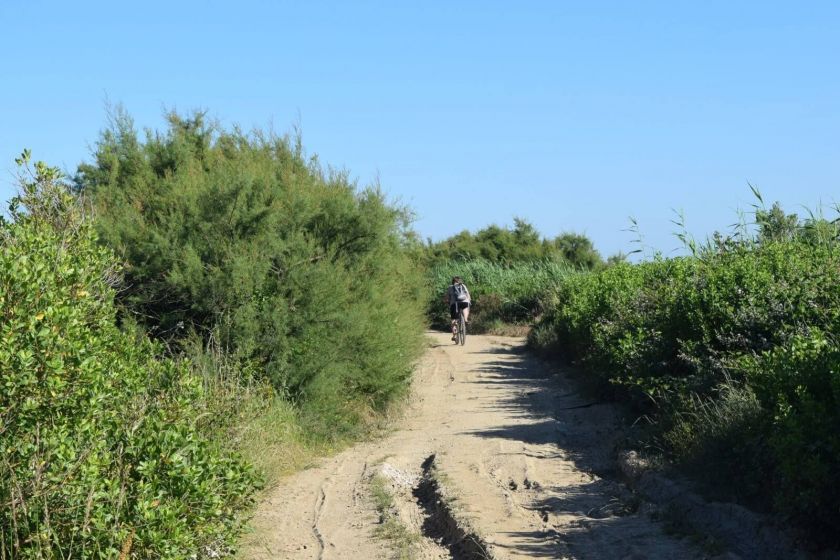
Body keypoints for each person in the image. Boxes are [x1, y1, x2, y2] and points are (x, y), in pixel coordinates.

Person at [444, 276, 471, 341]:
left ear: (453, 282)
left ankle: (455, 336)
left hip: (455, 304)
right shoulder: (463, 285)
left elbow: (447, 297)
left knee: (453, 320)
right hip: (465, 301)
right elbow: (468, 295)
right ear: (459, 281)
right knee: (465, 308)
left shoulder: (450, 287)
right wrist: (469, 300)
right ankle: (466, 319)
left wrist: (446, 301)